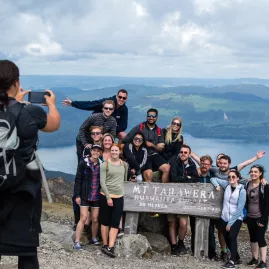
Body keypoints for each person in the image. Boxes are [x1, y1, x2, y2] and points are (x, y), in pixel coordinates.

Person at [0, 60, 60, 269]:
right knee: (26, 250)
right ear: (16, 82)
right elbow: (53, 124)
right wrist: (51, 105)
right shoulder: (30, 112)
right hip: (24, 190)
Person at [210, 170, 247, 269]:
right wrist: (216, 185)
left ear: (238, 178)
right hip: (224, 216)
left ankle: (232, 261)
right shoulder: (226, 184)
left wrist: (230, 224)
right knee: (225, 237)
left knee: (231, 236)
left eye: (233, 177)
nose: (231, 179)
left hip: (236, 218)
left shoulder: (242, 191)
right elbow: (213, 178)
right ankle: (237, 257)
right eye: (229, 177)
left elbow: (240, 209)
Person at [62, 89, 128, 143]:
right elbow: (90, 104)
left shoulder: (124, 110)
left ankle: (118, 151)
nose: (121, 99)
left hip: (109, 128)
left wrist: (108, 130)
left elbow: (123, 126)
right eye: (120, 97)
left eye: (124, 98)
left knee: (123, 135)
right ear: (116, 96)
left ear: (126, 99)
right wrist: (73, 103)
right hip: (96, 127)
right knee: (96, 135)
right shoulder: (106, 103)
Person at [123, 108, 170, 183]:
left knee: (167, 168)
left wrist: (152, 145)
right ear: (146, 117)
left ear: (157, 117)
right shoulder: (140, 127)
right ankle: (146, 194)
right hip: (143, 155)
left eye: (153, 116)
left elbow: (160, 149)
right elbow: (127, 139)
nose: (151, 117)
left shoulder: (159, 130)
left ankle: (163, 190)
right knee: (148, 175)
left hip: (155, 155)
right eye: (149, 115)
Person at [168, 145, 199, 256]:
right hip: (172, 197)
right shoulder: (174, 162)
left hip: (184, 199)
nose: (183, 154)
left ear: (189, 154)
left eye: (185, 152)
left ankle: (181, 242)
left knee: (183, 223)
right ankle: (173, 245)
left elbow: (195, 179)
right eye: (181, 152)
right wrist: (187, 178)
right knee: (171, 222)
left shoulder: (192, 165)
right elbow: (174, 178)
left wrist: (186, 179)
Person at [72, 126, 104, 230]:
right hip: (86, 181)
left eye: (98, 133)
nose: (96, 135)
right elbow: (81, 163)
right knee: (78, 200)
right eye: (93, 133)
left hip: (98, 185)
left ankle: (91, 228)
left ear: (101, 134)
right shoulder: (87, 147)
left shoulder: (106, 144)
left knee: (95, 210)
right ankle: (79, 224)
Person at [189, 155, 220, 261]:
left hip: (209, 209)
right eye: (202, 163)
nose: (204, 166)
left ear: (210, 165)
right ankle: (195, 251)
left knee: (210, 231)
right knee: (194, 229)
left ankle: (212, 253)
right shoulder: (194, 174)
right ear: (200, 164)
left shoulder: (213, 177)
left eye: (207, 164)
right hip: (195, 207)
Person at [99, 144, 128, 258]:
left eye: (116, 150)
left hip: (119, 196)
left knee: (115, 222)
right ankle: (105, 244)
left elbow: (124, 180)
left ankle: (110, 247)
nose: (114, 152)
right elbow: (102, 182)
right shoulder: (104, 164)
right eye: (112, 150)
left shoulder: (124, 165)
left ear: (120, 151)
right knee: (105, 221)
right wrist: (108, 197)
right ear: (110, 151)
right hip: (105, 196)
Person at [73, 145, 103, 250]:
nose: (96, 152)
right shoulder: (84, 163)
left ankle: (94, 238)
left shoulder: (102, 165)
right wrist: (77, 195)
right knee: (83, 218)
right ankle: (77, 241)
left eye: (98, 151)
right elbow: (78, 179)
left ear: (100, 153)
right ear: (91, 151)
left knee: (95, 219)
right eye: (94, 150)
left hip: (96, 195)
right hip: (85, 194)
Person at [245, 165, 269, 268]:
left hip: (260, 216)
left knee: (260, 238)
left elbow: (268, 204)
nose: (253, 173)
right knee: (252, 238)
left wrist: (264, 219)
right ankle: (254, 259)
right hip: (250, 216)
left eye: (255, 172)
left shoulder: (265, 186)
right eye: (251, 171)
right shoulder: (247, 183)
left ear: (260, 173)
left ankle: (263, 262)